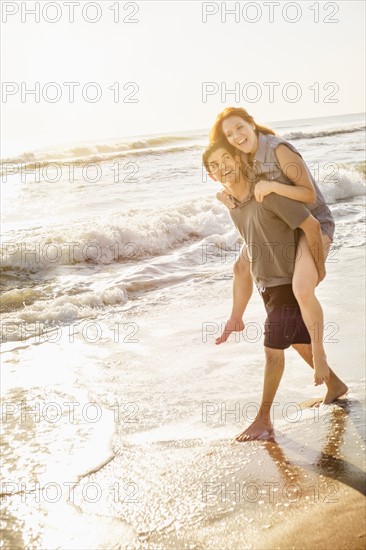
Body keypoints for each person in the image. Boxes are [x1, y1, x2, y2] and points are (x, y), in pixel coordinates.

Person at [202, 140, 348, 441]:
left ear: (239, 160)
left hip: (286, 280)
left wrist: (318, 269)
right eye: (213, 166)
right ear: (212, 176)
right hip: (266, 283)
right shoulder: (233, 205)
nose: (222, 167)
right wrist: (235, 317)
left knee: (272, 352)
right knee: (294, 339)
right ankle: (335, 385)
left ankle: (263, 418)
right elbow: (243, 264)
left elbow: (310, 224)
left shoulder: (266, 195)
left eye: (225, 159)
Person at [210, 107, 334, 387]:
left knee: (302, 289)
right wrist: (223, 193)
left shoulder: (279, 149)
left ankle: (320, 354)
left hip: (313, 222)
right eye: (229, 134)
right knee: (241, 266)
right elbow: (231, 178)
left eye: (239, 128)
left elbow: (308, 194)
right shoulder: (243, 156)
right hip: (280, 225)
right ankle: (235, 320)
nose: (236, 136)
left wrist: (272, 186)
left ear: (251, 124)